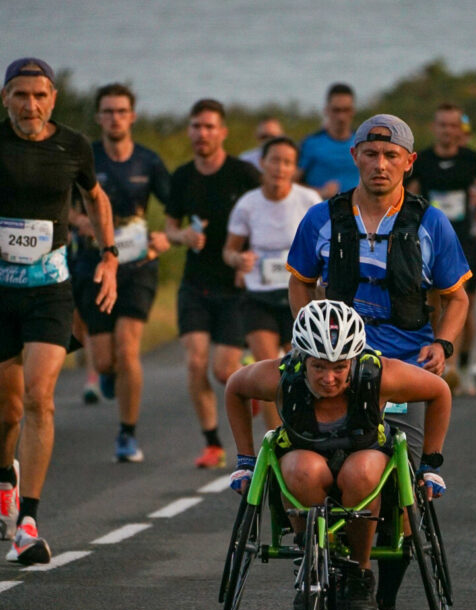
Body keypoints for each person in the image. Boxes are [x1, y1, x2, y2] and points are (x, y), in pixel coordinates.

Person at [287, 113, 470, 610]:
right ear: (356, 158)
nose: (381, 164)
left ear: (409, 163)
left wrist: (444, 345)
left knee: (403, 488)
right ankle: (322, 567)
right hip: (335, 364)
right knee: (326, 465)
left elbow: (455, 297)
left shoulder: (431, 222)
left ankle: (382, 606)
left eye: (392, 156)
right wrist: (304, 336)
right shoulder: (321, 218)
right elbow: (300, 282)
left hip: (403, 368)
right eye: (371, 153)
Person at [225, 300, 451, 610]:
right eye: (318, 367)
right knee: (302, 469)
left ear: (355, 360)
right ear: (302, 358)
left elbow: (440, 392)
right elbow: (235, 389)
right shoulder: (280, 375)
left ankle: (360, 576)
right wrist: (245, 461)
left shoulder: (380, 373)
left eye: (339, 367)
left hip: (364, 458)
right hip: (306, 459)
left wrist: (430, 465)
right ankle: (310, 562)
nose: (329, 378)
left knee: (362, 471)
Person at [0, 58, 117, 563]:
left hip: (49, 289)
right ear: (5, 98)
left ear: (53, 99)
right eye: (21, 95)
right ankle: (5, 477)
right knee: (5, 413)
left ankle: (27, 520)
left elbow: (96, 197)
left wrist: (110, 256)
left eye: (40, 95)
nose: (31, 105)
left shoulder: (73, 145)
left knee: (39, 397)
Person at [69, 83, 171, 462]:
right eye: (107, 111)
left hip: (137, 266)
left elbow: (175, 205)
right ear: (98, 118)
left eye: (121, 111)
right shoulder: (85, 157)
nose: (114, 118)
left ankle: (127, 434)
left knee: (129, 350)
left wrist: (167, 236)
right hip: (92, 266)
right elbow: (58, 203)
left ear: (132, 116)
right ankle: (108, 374)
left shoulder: (148, 160)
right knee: (106, 360)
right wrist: (79, 220)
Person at [165, 99, 260, 468]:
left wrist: (245, 260)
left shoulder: (243, 174)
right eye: (195, 126)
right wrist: (182, 236)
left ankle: (248, 377)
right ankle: (212, 444)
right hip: (195, 285)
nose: (201, 133)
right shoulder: (183, 177)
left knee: (224, 371)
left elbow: (262, 219)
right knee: (194, 362)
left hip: (235, 288)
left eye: (208, 127)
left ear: (222, 132)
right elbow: (170, 228)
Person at [223, 136, 321, 431]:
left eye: (287, 162)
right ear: (262, 163)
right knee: (273, 376)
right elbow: (229, 251)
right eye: (274, 160)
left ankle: (303, 434)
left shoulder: (309, 201)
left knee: (303, 374)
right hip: (259, 297)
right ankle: (275, 442)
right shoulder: (248, 204)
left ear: (295, 167)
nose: (280, 168)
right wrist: (239, 261)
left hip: (299, 297)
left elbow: (324, 247)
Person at [407, 103, 476, 396]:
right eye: (442, 125)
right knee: (435, 307)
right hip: (431, 243)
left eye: (453, 125)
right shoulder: (424, 161)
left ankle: (465, 366)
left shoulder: (472, 159)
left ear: (461, 129)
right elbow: (407, 193)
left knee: (463, 306)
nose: (447, 131)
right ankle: (443, 366)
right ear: (434, 128)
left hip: (465, 242)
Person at [296, 83, 359, 199]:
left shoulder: (363, 143)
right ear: (326, 110)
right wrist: (319, 192)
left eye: (346, 110)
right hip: (322, 211)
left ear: (353, 111)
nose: (341, 117)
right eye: (336, 110)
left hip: (359, 212)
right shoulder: (311, 143)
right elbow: (290, 184)